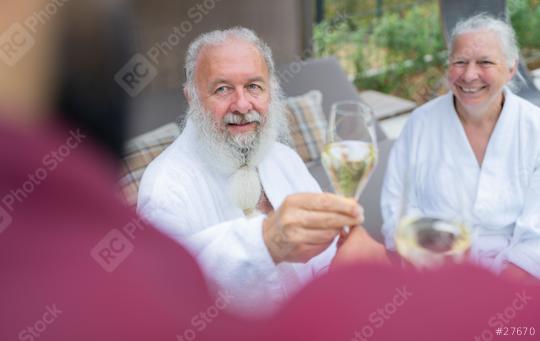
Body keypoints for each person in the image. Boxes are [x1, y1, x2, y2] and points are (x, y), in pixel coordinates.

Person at [137, 27, 388, 316]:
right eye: (222, 89)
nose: (243, 105)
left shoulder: (283, 157)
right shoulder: (166, 190)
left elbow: (324, 258)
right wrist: (266, 241)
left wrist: (348, 262)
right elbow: (170, 297)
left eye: (254, 86)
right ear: (192, 97)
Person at [381, 14, 540, 281]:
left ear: (511, 68)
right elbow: (397, 208)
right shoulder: (420, 123)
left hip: (517, 283)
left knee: (512, 326)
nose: (469, 75)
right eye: (460, 62)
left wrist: (498, 296)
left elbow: (537, 236)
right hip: (433, 275)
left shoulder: (535, 128)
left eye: (485, 62)